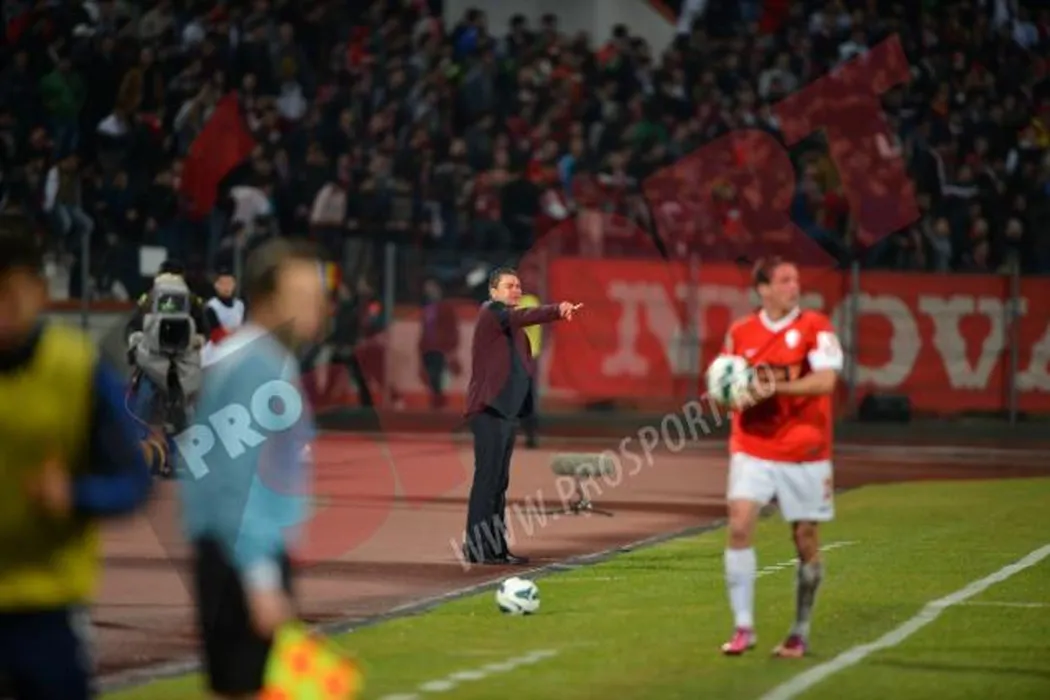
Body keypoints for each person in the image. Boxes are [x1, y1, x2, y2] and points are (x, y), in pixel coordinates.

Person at [0, 214, 152, 699]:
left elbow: (134, 480)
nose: (2, 310)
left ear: (39, 291)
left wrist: (76, 494)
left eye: (11, 293)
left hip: (48, 603)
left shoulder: (77, 368)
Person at [178, 238, 326, 699]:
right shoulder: (259, 368)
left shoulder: (253, 358)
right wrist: (260, 577)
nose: (315, 307)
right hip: (242, 559)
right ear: (265, 300)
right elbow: (235, 481)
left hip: (228, 553)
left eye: (317, 295)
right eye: (301, 295)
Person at [718, 257, 844, 658]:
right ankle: (743, 627)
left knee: (805, 538)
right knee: (739, 525)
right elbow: (725, 391)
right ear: (763, 289)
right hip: (752, 446)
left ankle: (799, 630)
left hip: (805, 449)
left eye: (796, 279)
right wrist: (733, 397)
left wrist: (774, 389)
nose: (795, 286)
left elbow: (825, 381)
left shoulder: (816, 327)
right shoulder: (740, 332)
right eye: (785, 280)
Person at [462, 267, 581, 565]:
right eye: (508, 286)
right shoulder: (491, 312)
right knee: (488, 480)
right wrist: (557, 310)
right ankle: (477, 547)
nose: (515, 290)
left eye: (518, 286)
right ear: (493, 292)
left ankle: (495, 548)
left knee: (498, 482)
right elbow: (525, 316)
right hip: (489, 410)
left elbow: (520, 371)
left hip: (505, 412)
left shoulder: (514, 328)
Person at [202, 268, 245, 366]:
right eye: (223, 284)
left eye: (229, 283)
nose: (226, 287)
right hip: (214, 355)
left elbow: (244, 330)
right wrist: (234, 332)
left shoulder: (240, 305)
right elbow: (216, 334)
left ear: (234, 285)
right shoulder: (211, 306)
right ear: (216, 285)